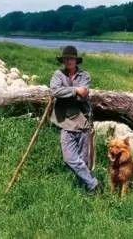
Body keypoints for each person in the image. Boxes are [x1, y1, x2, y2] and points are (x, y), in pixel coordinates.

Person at [49, 45, 98, 192]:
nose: (69, 61)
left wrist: (69, 93)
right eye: (66, 59)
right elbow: (55, 91)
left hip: (83, 122)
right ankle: (94, 183)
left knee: (85, 161)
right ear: (63, 60)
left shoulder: (85, 76)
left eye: (71, 58)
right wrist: (75, 90)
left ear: (76, 61)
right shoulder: (58, 74)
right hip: (65, 123)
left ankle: (86, 191)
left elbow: (84, 94)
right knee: (69, 158)